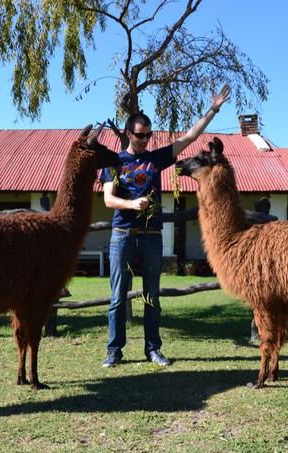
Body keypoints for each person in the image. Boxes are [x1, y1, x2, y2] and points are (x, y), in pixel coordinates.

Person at [99, 84, 231, 367]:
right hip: (122, 235)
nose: (145, 140)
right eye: (140, 135)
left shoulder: (155, 159)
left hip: (151, 237)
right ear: (128, 133)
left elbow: (191, 136)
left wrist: (214, 108)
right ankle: (114, 350)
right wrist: (132, 205)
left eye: (149, 135)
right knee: (117, 298)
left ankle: (153, 349)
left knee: (151, 298)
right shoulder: (113, 162)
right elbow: (108, 199)